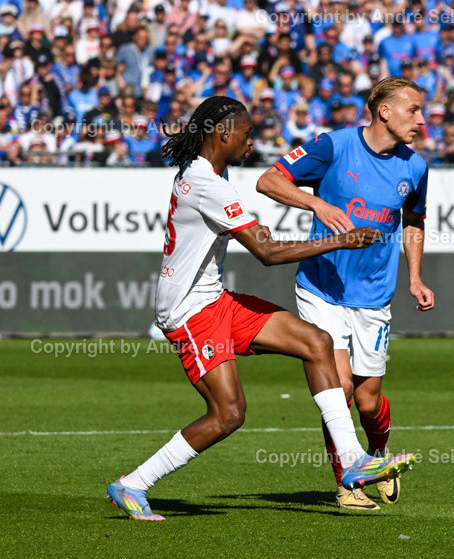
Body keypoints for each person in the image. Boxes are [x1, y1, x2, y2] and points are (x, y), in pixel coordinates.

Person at [105, 96, 416, 521]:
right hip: (189, 311)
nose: (251, 142)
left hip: (215, 298)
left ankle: (352, 461)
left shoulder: (210, 170)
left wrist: (251, 230)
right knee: (228, 414)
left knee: (316, 342)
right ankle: (134, 483)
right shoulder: (207, 183)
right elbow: (267, 254)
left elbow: (231, 230)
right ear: (223, 134)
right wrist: (339, 240)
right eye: (247, 134)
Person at [256, 77, 432, 510]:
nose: (422, 120)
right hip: (321, 287)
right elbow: (268, 180)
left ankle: (377, 455)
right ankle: (347, 484)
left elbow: (413, 221)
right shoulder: (332, 146)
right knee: (341, 389)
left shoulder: (415, 167)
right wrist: (316, 203)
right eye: (413, 110)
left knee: (368, 403)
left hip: (374, 295)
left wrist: (415, 277)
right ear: (384, 111)